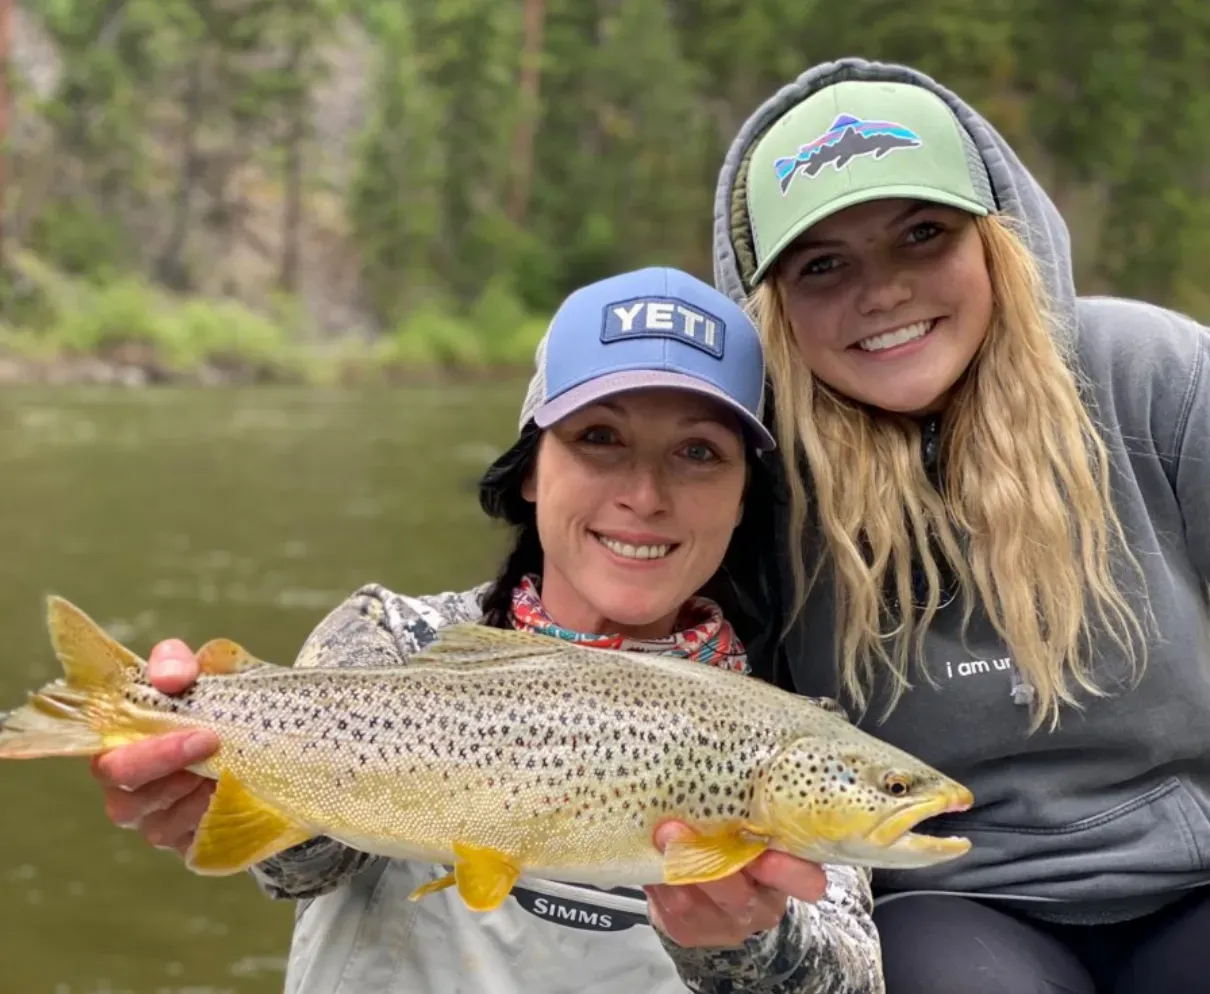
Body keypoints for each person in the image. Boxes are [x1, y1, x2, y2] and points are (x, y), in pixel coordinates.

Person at [92, 267, 884, 993]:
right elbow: (302, 871)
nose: (646, 493)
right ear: (533, 467)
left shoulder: (787, 741)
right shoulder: (395, 639)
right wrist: (213, 783)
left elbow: (852, 982)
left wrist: (740, 942)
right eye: (600, 438)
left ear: (745, 498)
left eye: (699, 453)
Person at [705, 59, 1210, 994]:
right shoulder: (754, 468)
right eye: (822, 265)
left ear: (996, 243)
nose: (883, 291)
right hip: (944, 905)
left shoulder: (1157, 376)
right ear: (772, 309)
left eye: (922, 235)